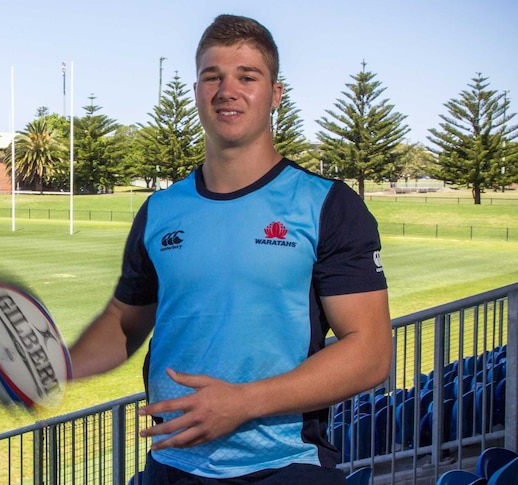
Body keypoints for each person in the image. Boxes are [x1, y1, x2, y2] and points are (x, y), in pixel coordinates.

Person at [68, 14, 393, 485]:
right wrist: (58, 364)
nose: (227, 90)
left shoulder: (326, 204)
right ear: (197, 91)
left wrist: (242, 403)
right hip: (172, 463)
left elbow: (371, 352)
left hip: (285, 465)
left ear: (275, 95)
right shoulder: (160, 210)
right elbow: (124, 320)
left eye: (247, 76)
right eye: (212, 76)